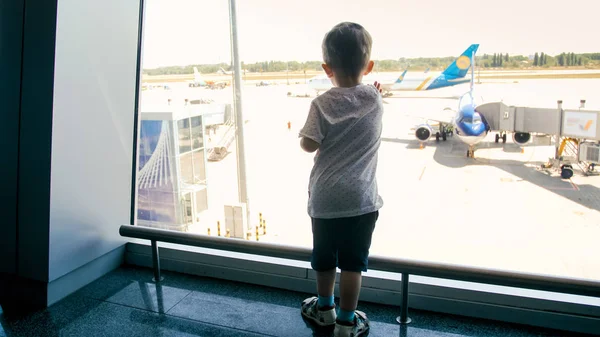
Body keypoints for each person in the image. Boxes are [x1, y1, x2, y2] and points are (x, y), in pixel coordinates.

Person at [298, 22, 384, 337]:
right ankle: (346, 322)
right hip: (361, 199)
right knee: (352, 264)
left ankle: (324, 309)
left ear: (326, 68)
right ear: (369, 66)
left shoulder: (321, 104)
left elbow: (309, 144)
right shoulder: (374, 100)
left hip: (324, 198)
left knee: (323, 258)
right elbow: (372, 97)